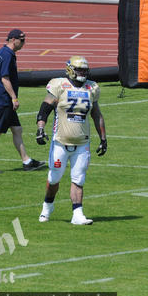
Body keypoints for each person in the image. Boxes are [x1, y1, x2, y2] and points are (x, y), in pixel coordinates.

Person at [35, 56, 106, 225]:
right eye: (79, 70)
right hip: (60, 142)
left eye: (84, 70)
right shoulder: (59, 85)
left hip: (82, 143)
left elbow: (96, 114)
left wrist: (103, 138)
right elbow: (45, 108)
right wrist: (40, 128)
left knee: (78, 179)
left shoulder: (92, 87)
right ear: (70, 70)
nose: (83, 73)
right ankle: (47, 206)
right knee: (54, 179)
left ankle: (77, 214)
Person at [0, 28, 45, 174]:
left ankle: (27, 161)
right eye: (22, 40)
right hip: (4, 101)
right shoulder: (7, 55)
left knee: (17, 129)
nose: (23, 43)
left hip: (2, 98)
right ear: (13, 40)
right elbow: (5, 78)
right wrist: (13, 97)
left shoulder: (3, 52)